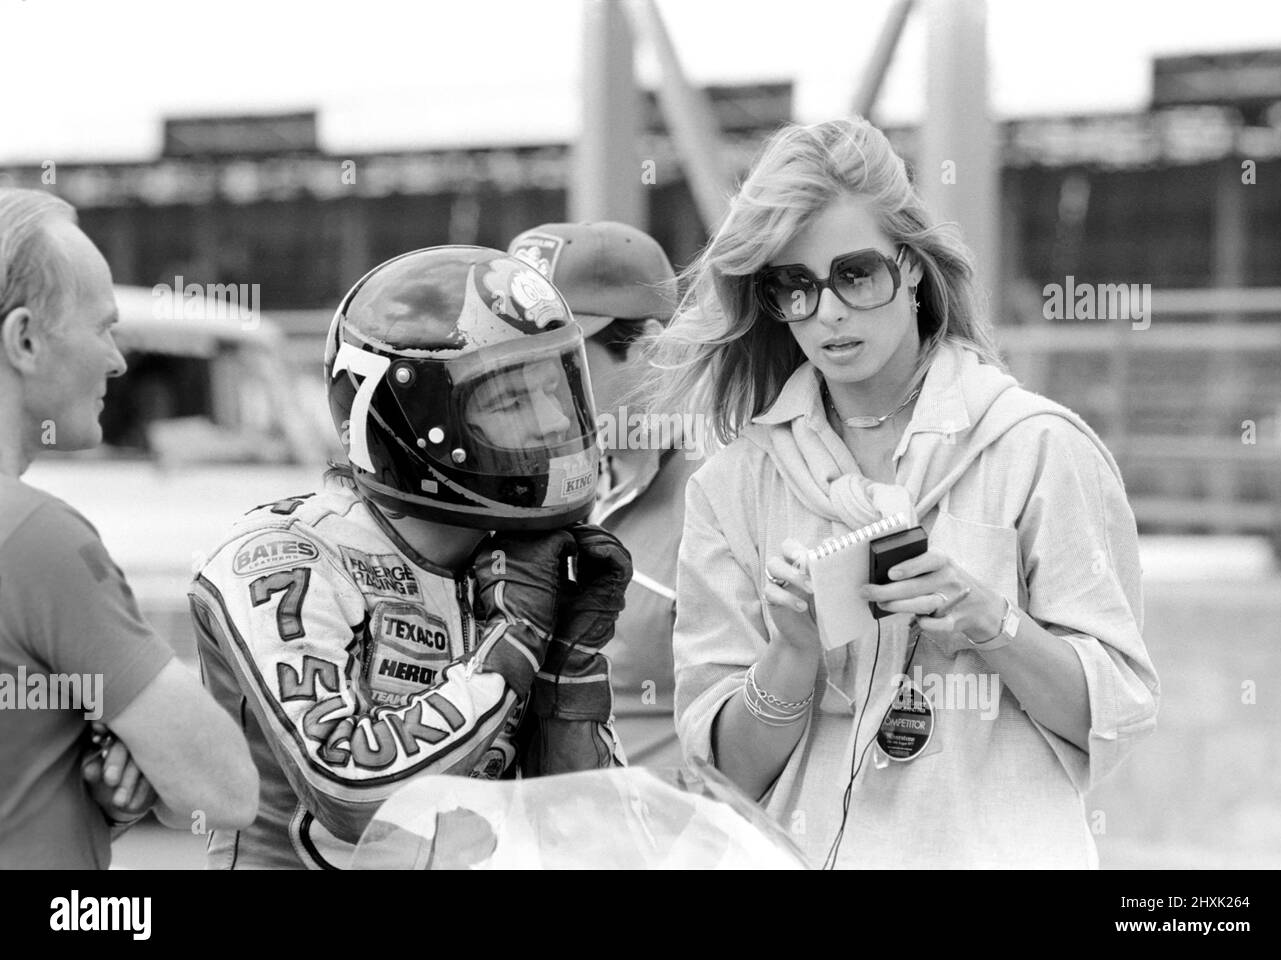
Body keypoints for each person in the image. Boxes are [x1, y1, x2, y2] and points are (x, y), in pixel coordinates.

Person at [645, 119, 1160, 868]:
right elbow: (722, 773)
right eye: (795, 285)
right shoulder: (733, 484)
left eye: (855, 274)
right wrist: (791, 656)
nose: (827, 313)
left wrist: (991, 620)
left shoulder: (1038, 447)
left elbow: (1112, 717)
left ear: (912, 267)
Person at [188, 245, 632, 869]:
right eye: (511, 403)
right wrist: (505, 658)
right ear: (412, 425)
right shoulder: (282, 558)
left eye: (553, 389)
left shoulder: (525, 567)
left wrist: (566, 682)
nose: (551, 421)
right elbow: (348, 787)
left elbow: (591, 838)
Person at [0, 188, 258, 869]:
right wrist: (134, 745)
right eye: (101, 328)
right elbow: (224, 792)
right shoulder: (37, 540)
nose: (118, 360)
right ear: (24, 340)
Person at [508, 221, 697, 766]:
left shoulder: (729, 488)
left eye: (559, 358)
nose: (528, 386)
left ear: (650, 348)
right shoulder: (532, 484)